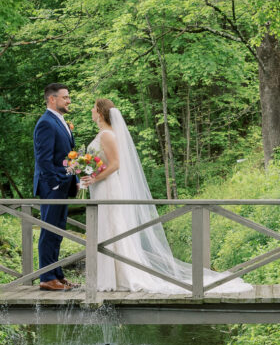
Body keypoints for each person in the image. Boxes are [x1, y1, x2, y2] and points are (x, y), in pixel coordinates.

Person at [82, 98, 251, 294]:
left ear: (100, 113)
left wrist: (94, 178)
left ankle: (119, 276)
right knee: (104, 228)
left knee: (111, 227)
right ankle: (106, 276)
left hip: (107, 187)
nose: (91, 112)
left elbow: (115, 164)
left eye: (93, 108)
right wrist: (89, 174)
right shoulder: (103, 134)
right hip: (100, 186)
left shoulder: (107, 135)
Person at [32, 83, 78, 291]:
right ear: (52, 99)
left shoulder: (59, 121)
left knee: (58, 231)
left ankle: (57, 275)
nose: (69, 101)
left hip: (63, 185)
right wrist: (56, 183)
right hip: (53, 187)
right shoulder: (46, 123)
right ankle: (46, 277)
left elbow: (66, 154)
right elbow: (44, 160)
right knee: (49, 231)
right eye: (65, 97)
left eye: (68, 97)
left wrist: (73, 180)